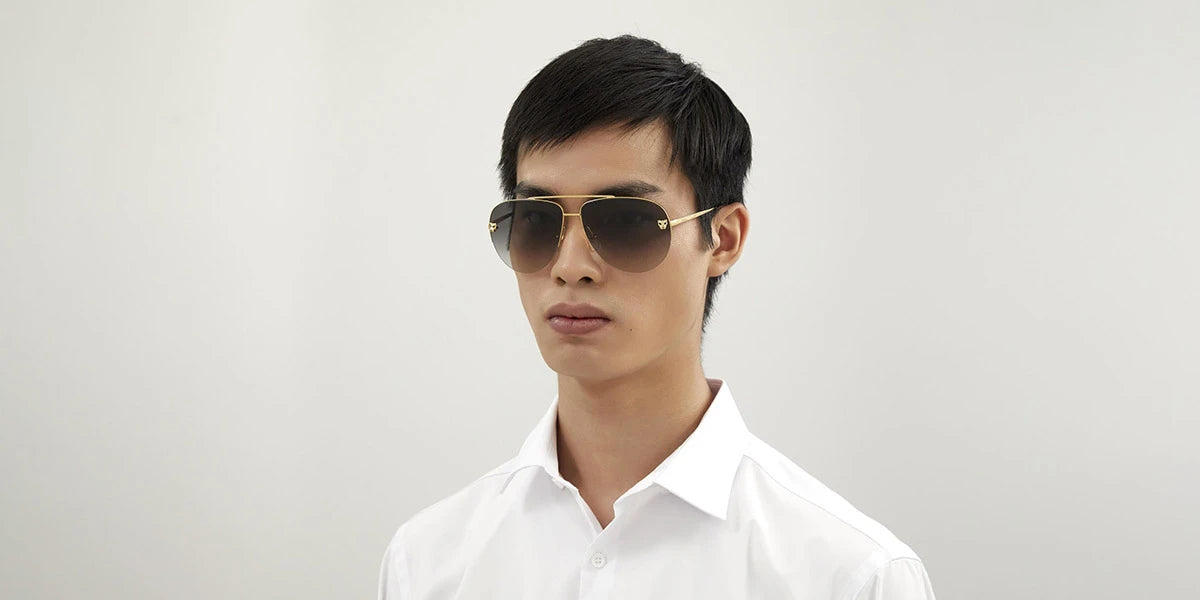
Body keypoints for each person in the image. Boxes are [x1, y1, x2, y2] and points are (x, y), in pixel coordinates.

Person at [378, 34, 936, 599]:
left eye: (626, 222)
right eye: (537, 220)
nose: (570, 267)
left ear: (722, 238)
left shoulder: (851, 576)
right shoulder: (427, 565)